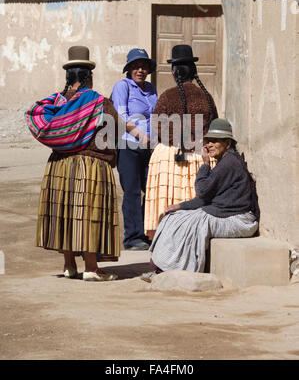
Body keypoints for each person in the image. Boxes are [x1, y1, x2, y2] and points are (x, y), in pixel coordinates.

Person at [26, 46, 124, 282]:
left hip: (59, 165)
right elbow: (114, 128)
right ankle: (92, 267)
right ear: (90, 76)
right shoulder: (98, 101)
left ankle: (69, 265)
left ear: (68, 76)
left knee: (66, 214)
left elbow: (41, 121)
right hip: (90, 165)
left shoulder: (56, 103)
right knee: (88, 214)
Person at [141, 118, 260, 282]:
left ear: (227, 143)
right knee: (174, 217)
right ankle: (163, 268)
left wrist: (204, 164)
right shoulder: (224, 162)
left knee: (193, 223)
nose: (209, 145)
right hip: (223, 213)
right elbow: (206, 197)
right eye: (207, 141)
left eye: (215, 141)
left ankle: (181, 271)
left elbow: (203, 191)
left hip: (240, 220)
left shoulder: (229, 163)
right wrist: (179, 206)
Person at [144, 44, 218, 237]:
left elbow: (156, 124)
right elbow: (213, 127)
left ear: (174, 71)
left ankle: (164, 248)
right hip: (198, 157)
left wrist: (178, 139)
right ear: (193, 70)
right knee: (191, 199)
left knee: (168, 202)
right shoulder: (206, 97)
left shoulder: (168, 95)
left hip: (170, 156)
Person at [111, 48, 158, 250]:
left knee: (150, 189)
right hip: (128, 145)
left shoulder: (151, 88)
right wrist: (139, 135)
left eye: (144, 66)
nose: (140, 70)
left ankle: (147, 233)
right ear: (129, 69)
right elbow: (120, 115)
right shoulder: (122, 87)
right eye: (136, 66)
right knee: (131, 191)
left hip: (150, 146)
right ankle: (132, 237)